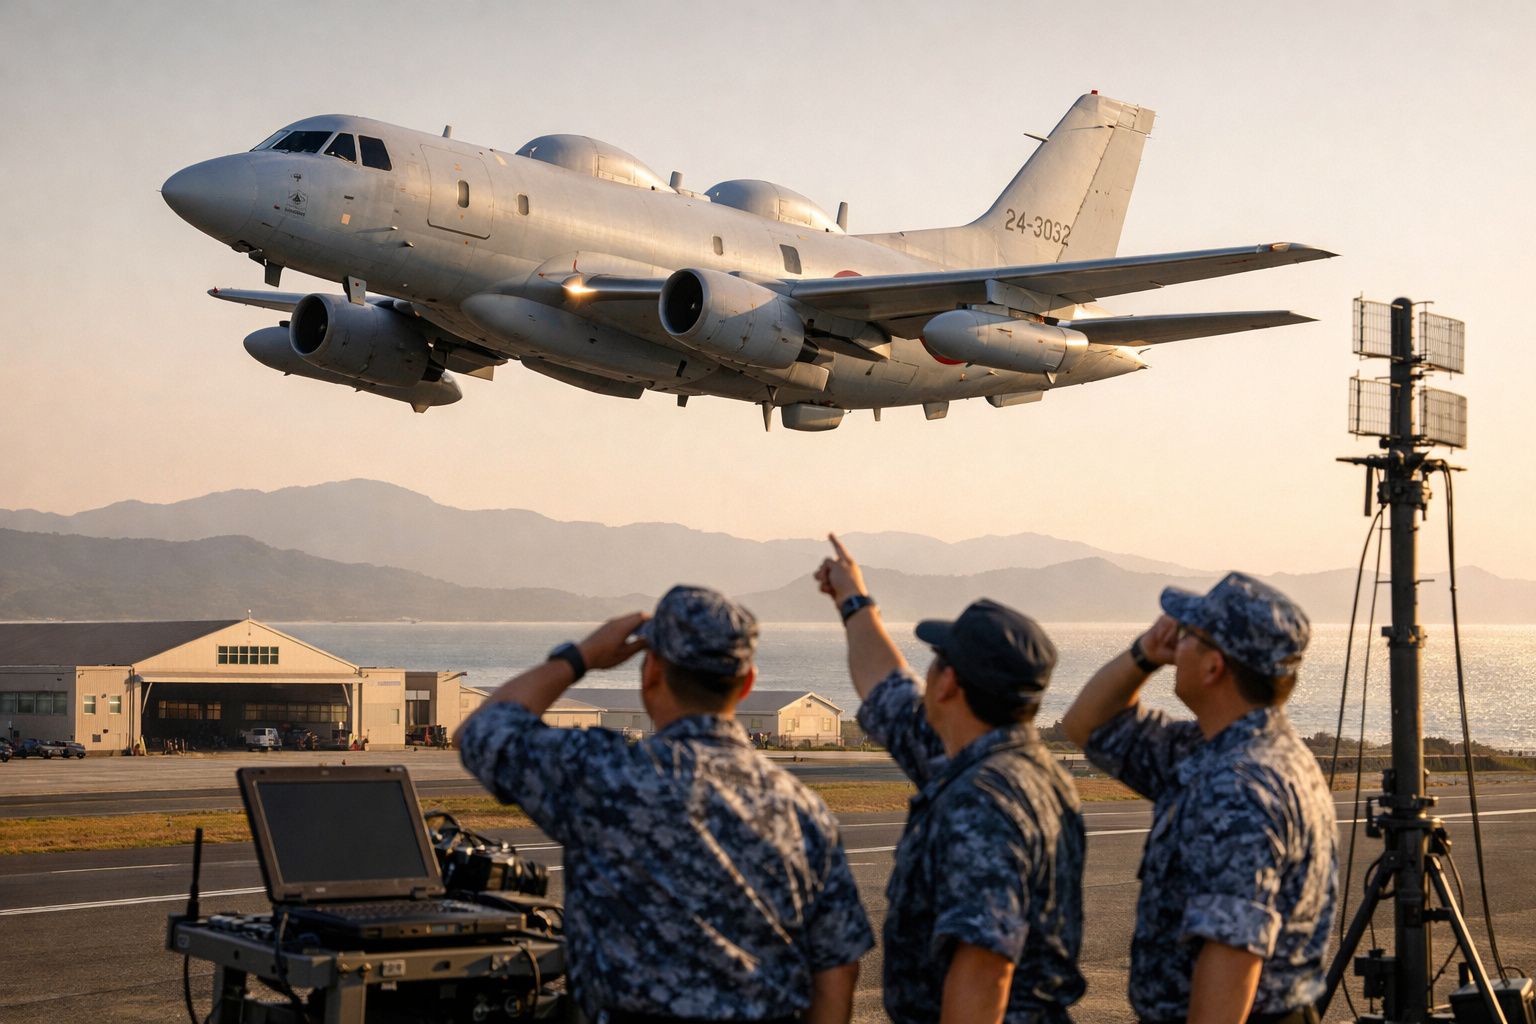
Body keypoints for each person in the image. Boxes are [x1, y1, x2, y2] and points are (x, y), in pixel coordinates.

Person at [456, 585, 873, 1024]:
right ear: (748, 683)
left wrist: (580, 656)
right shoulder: (802, 810)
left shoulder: (603, 776)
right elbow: (837, 970)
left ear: (651, 671)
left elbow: (482, 730)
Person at [815, 535, 1084, 1024]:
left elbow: (984, 972)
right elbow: (887, 687)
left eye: (935, 661)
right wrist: (852, 599)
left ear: (949, 683)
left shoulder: (983, 801)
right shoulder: (1007, 766)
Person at [1061, 573, 1337, 1024]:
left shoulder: (1240, 786)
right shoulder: (1223, 749)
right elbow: (1088, 726)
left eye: (1188, 634)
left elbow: (1232, 958)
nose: (1175, 638)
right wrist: (1144, 653)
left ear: (1213, 668)